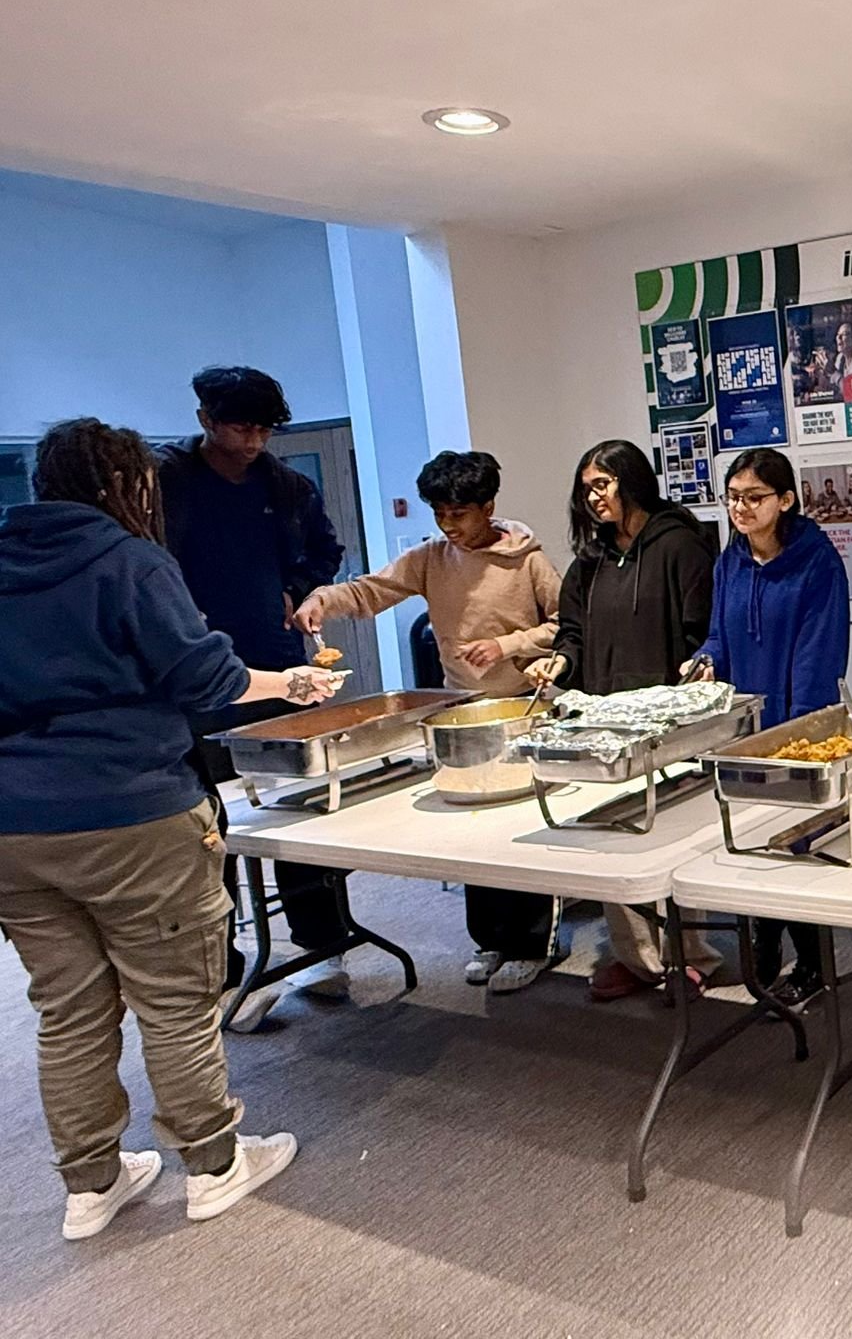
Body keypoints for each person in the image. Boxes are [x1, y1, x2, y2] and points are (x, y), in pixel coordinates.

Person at [0, 420, 337, 1239]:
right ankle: (215, 1166)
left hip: (14, 831)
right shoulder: (129, 561)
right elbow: (206, 680)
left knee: (68, 1010)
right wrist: (289, 682)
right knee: (175, 1001)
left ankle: (91, 1184)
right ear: (126, 485)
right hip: (134, 812)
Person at [294, 450, 566, 994]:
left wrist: (508, 644)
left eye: (459, 514)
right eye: (440, 513)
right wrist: (323, 599)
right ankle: (489, 939)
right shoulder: (431, 558)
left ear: (487, 506)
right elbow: (372, 590)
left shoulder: (527, 560)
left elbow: (566, 623)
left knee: (517, 829)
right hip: (460, 708)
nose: (448, 525)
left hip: (522, 705)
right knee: (470, 829)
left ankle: (534, 944)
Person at [157, 366, 350, 1014]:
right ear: (206, 419)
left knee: (302, 806)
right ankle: (223, 970)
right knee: (206, 827)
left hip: (279, 669)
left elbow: (325, 550)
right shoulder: (165, 482)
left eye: (264, 430)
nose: (253, 442)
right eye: (241, 428)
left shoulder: (287, 485)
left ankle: (324, 949)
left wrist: (299, 587)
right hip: (194, 678)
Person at [523, 440, 720, 1001]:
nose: (592, 498)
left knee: (675, 841)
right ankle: (636, 959)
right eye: (585, 488)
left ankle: (693, 955)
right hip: (607, 725)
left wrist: (693, 680)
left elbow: (702, 628)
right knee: (614, 839)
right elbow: (573, 633)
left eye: (602, 485)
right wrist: (560, 662)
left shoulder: (680, 545)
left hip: (670, 722)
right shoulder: (590, 560)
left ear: (631, 482)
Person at [687, 449, 849, 1008]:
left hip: (794, 727)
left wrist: (798, 741)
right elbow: (718, 636)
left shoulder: (817, 562)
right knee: (748, 843)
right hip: (742, 730)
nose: (741, 508)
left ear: (785, 500)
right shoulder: (729, 561)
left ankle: (813, 965)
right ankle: (763, 952)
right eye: (733, 497)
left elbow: (818, 656)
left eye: (754, 498)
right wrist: (705, 660)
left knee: (795, 846)